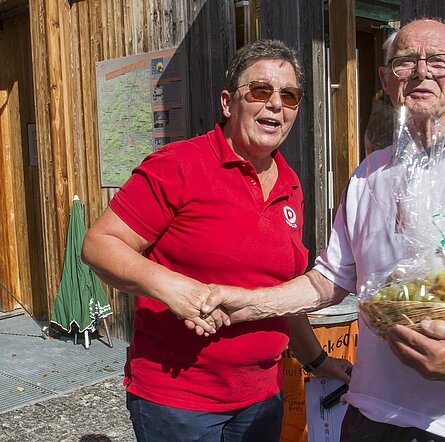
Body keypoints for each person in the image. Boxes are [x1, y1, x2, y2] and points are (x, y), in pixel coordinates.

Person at [199, 19, 445, 441]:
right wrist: (247, 303)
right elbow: (328, 281)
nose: (422, 71)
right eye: (405, 61)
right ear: (388, 80)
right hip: (370, 413)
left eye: (439, 61)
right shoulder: (367, 175)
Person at [81, 39, 351, 442]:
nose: (275, 104)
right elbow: (100, 244)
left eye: (289, 96)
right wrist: (172, 288)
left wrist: (317, 360)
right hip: (179, 403)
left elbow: (283, 294)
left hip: (264, 397)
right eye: (260, 90)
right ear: (228, 103)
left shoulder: (290, 184)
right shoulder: (179, 165)